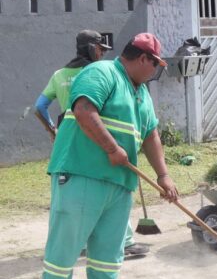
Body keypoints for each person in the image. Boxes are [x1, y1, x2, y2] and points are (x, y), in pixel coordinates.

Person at [30, 32, 178, 279]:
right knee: (65, 245)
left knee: (109, 250)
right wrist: (112, 148)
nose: (155, 72)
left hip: (120, 182)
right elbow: (84, 111)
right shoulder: (102, 72)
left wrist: (163, 176)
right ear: (142, 59)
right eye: (155, 65)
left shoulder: (141, 92)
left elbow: (151, 135)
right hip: (83, 173)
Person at [35, 30, 148, 259]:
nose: (102, 53)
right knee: (113, 190)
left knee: (73, 199)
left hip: (71, 143)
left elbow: (40, 106)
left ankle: (79, 245)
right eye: (100, 49)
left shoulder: (59, 75)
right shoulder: (100, 72)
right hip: (100, 140)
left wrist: (53, 131)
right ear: (93, 49)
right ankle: (124, 242)